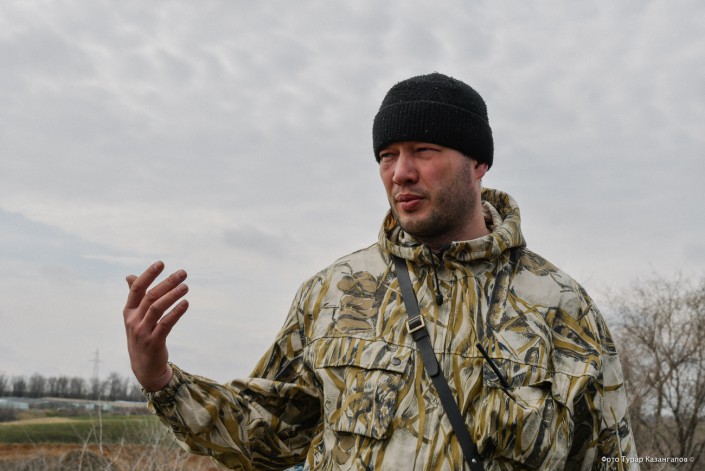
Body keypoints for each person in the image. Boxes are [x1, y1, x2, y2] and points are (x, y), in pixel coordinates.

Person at [122, 73, 638, 470]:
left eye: (424, 151)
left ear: (478, 163)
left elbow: (611, 458)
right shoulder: (334, 293)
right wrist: (161, 379)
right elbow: (269, 433)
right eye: (387, 156)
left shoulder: (560, 307)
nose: (401, 173)